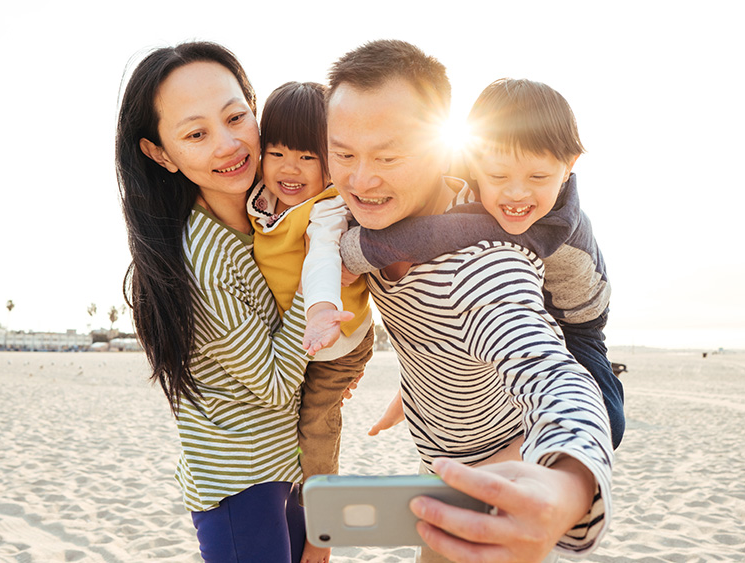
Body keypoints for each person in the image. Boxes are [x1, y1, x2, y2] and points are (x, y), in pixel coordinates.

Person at [325, 40, 614, 562]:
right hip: (441, 458)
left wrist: (567, 487)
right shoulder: (362, 212)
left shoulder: (485, 267)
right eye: (343, 154)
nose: (360, 179)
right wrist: (421, 383)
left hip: (498, 471)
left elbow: (553, 374)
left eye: (387, 156)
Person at [116, 42, 349, 563]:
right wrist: (322, 287)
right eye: (196, 134)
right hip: (240, 485)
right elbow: (274, 382)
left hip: (284, 464)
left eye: (236, 117)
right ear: (159, 153)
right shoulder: (201, 256)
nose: (228, 145)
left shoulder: (267, 214)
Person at [342, 78, 625, 450]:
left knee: (609, 420)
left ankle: (522, 449)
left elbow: (448, 232)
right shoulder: (465, 169)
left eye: (538, 177)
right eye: (498, 176)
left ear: (569, 166)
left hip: (575, 321)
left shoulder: (555, 219)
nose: (516, 193)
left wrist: (359, 250)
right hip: (522, 304)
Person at [247, 81, 376, 563]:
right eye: (276, 152)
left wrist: (320, 308)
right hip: (303, 335)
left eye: (307, 156)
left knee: (316, 426)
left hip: (338, 335)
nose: (289, 169)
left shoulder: (327, 207)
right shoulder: (258, 197)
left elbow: (323, 255)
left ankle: (322, 536)